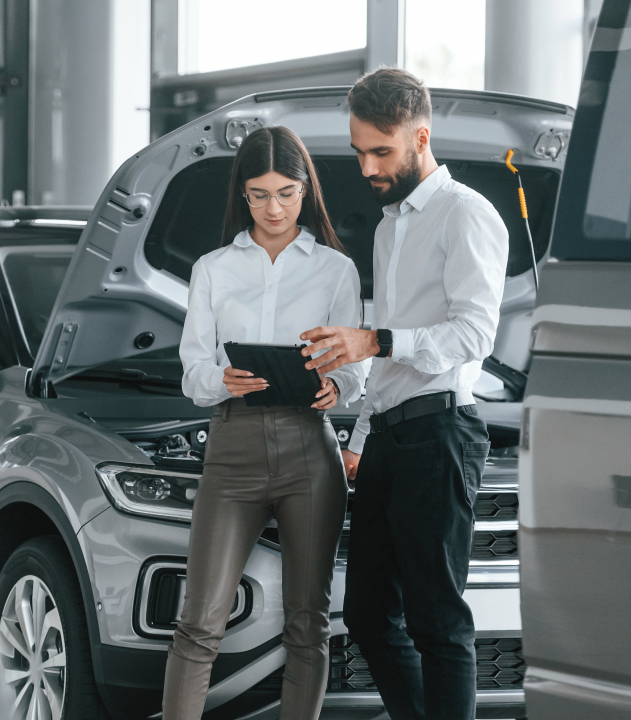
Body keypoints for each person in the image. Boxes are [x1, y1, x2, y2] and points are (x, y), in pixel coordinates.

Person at [300, 68, 509, 720]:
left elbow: (474, 333)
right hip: (390, 437)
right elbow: (384, 357)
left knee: (436, 619)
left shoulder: (467, 214)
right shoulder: (391, 227)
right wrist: (361, 437)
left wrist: (375, 342)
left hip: (441, 433)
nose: (367, 166)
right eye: (359, 151)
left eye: (381, 151)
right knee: (364, 611)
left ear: (421, 136)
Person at [165, 126, 368, 720]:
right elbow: (192, 368)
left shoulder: (336, 270)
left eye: (285, 193)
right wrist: (218, 380)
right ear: (243, 195)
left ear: (305, 191)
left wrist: (338, 384)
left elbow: (356, 371)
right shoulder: (212, 269)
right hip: (233, 448)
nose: (273, 208)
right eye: (259, 195)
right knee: (199, 622)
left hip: (311, 450)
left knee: (309, 622)